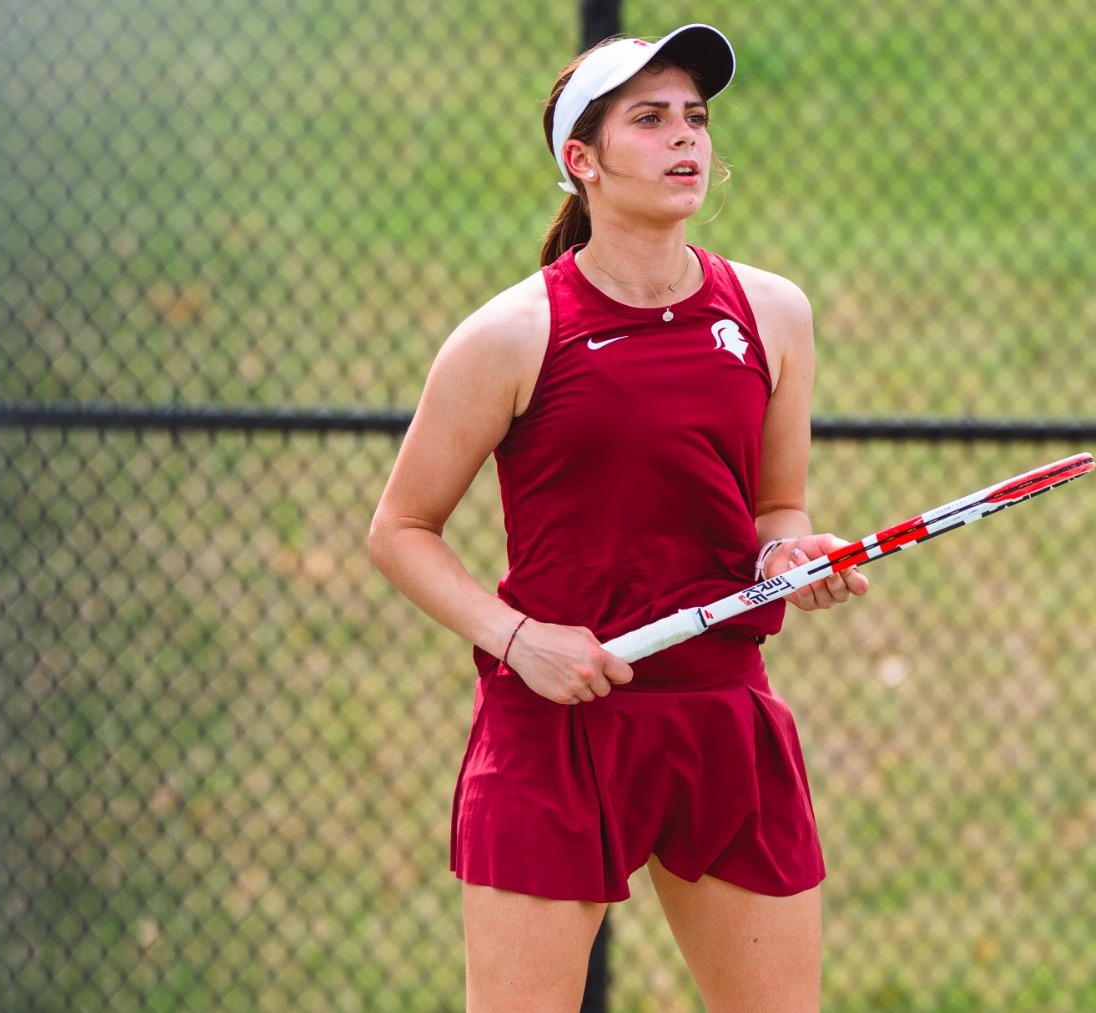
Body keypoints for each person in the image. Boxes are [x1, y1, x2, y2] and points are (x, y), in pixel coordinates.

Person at [368, 23, 868, 1012]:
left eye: (695, 117)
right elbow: (399, 530)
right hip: (554, 725)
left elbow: (775, 505)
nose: (684, 138)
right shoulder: (511, 333)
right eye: (649, 119)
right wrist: (520, 641)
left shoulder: (773, 313)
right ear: (579, 161)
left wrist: (788, 554)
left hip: (721, 712)